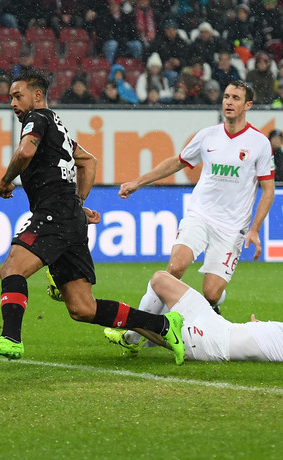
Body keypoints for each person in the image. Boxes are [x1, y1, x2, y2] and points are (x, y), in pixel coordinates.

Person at [0, 68, 186, 364]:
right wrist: (76, 204)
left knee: (11, 270)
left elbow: (25, 153)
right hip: (68, 216)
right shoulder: (59, 126)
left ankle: (11, 338)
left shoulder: (37, 119)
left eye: (18, 96)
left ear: (37, 95)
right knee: (83, 308)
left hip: (54, 214)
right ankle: (163, 325)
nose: (13, 103)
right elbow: (88, 162)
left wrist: (6, 181)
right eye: (11, 98)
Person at [116, 80, 274, 329]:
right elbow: (177, 162)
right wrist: (139, 181)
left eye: (235, 98)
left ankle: (208, 308)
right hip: (200, 215)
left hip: (232, 228)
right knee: (175, 268)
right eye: (226, 96)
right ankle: (139, 331)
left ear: (248, 105)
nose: (228, 102)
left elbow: (268, 190)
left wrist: (255, 229)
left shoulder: (259, 143)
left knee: (211, 292)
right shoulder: (208, 135)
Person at [105, 271, 283, 364]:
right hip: (218, 325)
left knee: (138, 317)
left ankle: (134, 333)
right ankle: (133, 337)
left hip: (212, 344)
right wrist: (258, 328)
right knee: (161, 279)